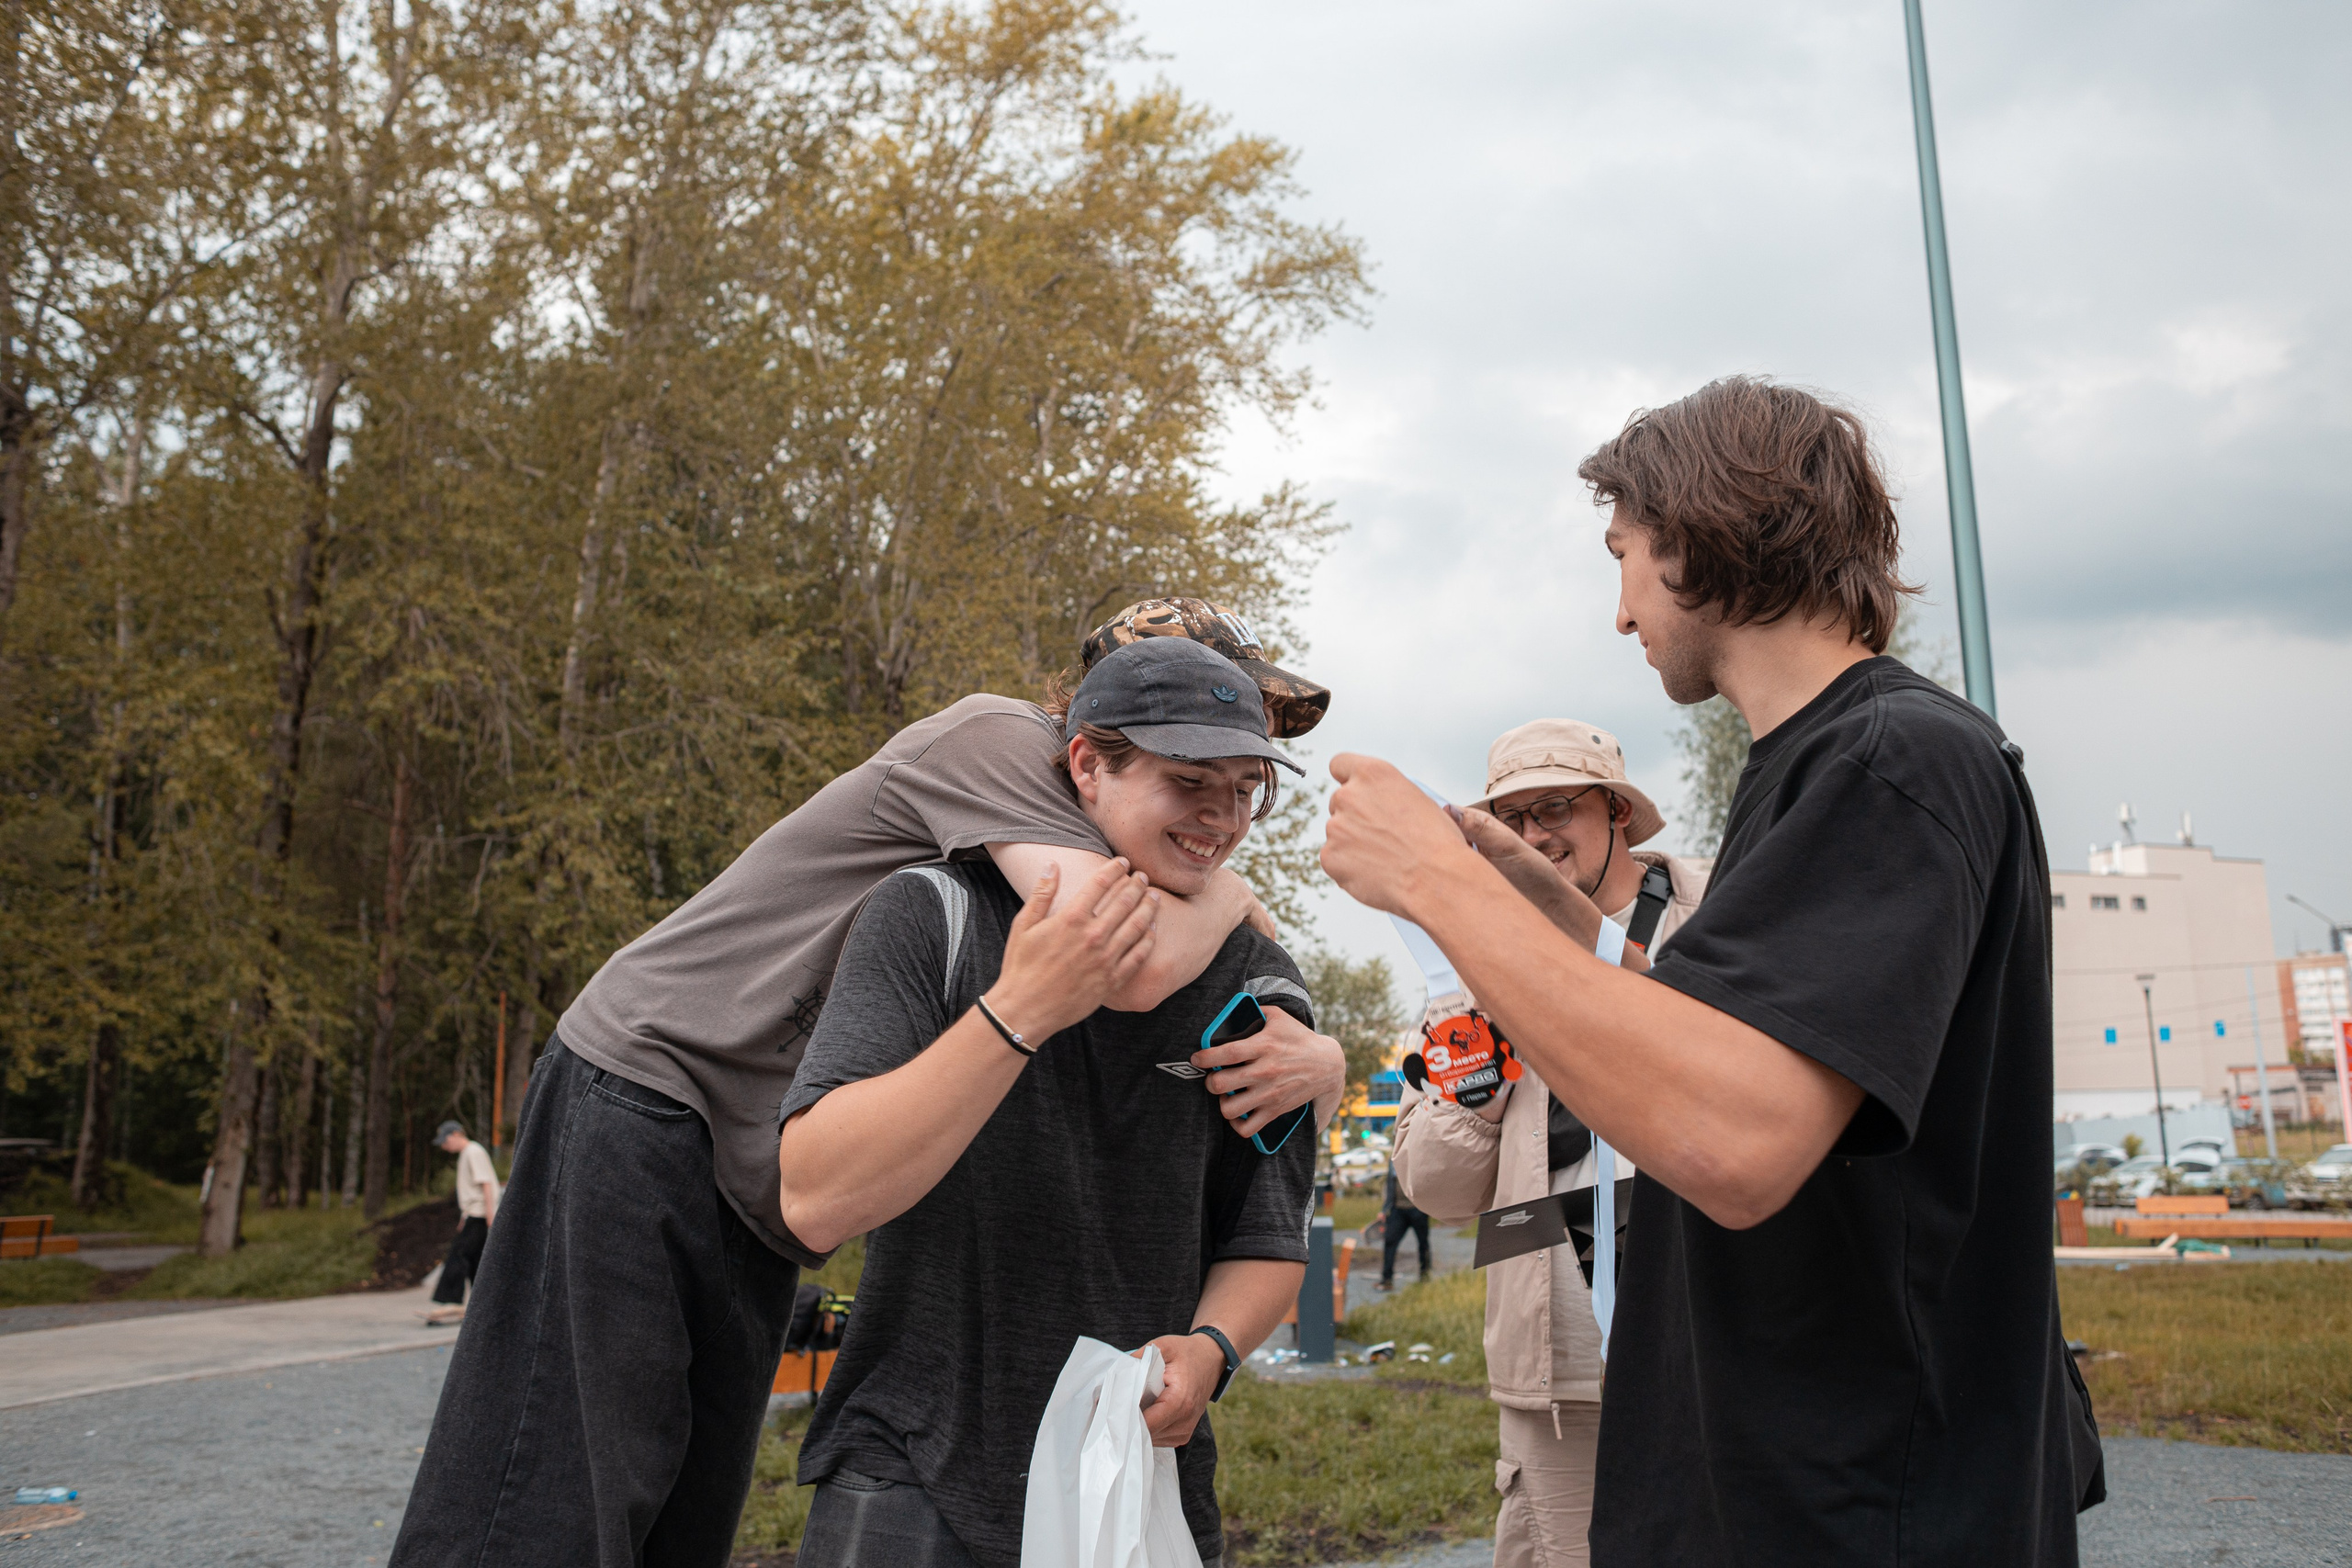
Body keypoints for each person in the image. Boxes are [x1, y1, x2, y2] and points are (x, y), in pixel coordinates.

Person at [1321, 377, 2100, 1567]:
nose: (1621, 612)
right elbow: (1721, 1040)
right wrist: (1535, 908)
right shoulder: (1825, 767)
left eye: (1624, 553)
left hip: (1857, 1504)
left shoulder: (1888, 762)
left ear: (1695, 537)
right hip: (1802, 1485)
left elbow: (1735, 1133)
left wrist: (1440, 886)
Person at [392, 602, 1347, 1568]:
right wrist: (1233, 899)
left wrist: (1325, 1056)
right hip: (653, 1079)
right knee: (545, 1494)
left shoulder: (1114, 832)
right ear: (1092, 733)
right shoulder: (999, 742)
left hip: (753, 1153)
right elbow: (1122, 963)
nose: (1237, 758)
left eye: (1250, 747)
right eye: (1199, 743)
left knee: (680, 1502)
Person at [775, 637, 1320, 1568]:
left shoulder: (1260, 990)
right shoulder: (933, 914)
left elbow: (1265, 1241)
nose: (1219, 818)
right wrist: (1022, 1007)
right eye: (1189, 780)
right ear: (1086, 765)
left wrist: (1211, 1351)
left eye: (1244, 789)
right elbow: (815, 1195)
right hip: (906, 1469)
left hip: (1138, 1477)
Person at [1387, 720, 1706, 1568]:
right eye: (1513, 818)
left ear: (1618, 813)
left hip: (1713, 1332)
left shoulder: (1720, 912)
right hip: (1556, 1362)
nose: (1535, 836)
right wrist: (1477, 1084)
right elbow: (1437, 1189)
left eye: (1556, 807)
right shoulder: (1471, 961)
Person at [421, 1121, 500, 1326]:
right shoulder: (467, 1154)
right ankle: (481, 1303)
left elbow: (487, 1184)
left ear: (456, 1134)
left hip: (481, 1214)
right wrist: (464, 1217)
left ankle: (449, 1300)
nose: (445, 1147)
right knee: (475, 1260)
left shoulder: (473, 1151)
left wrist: (491, 1215)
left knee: (459, 1254)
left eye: (446, 1141)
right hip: (473, 1214)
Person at [1376, 1163, 1430, 1291]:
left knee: (1423, 1244)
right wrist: (1385, 1209)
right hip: (1398, 1210)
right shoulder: (1394, 1158)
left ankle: (1425, 1277)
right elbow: (1391, 1186)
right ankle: (1387, 1280)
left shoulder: (1418, 1154)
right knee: (1389, 1242)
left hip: (1418, 1209)